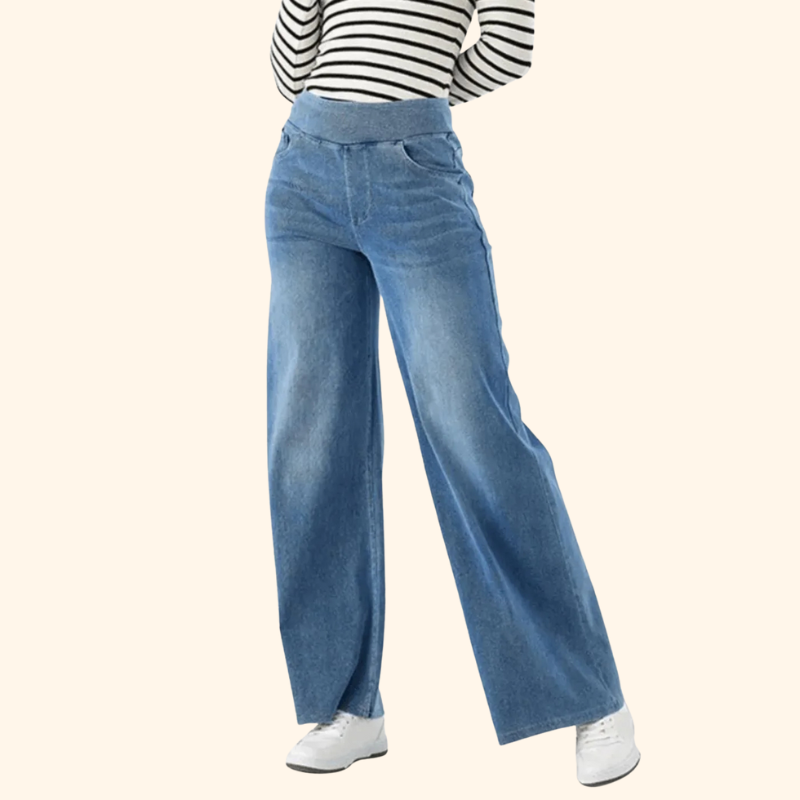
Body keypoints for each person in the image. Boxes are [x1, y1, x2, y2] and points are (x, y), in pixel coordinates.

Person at [264, 0, 640, 786]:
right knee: (309, 441)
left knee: (474, 429)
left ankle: (592, 697)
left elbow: (510, 45)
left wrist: (419, 97)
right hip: (303, 167)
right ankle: (348, 707)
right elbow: (287, 69)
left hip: (415, 173)